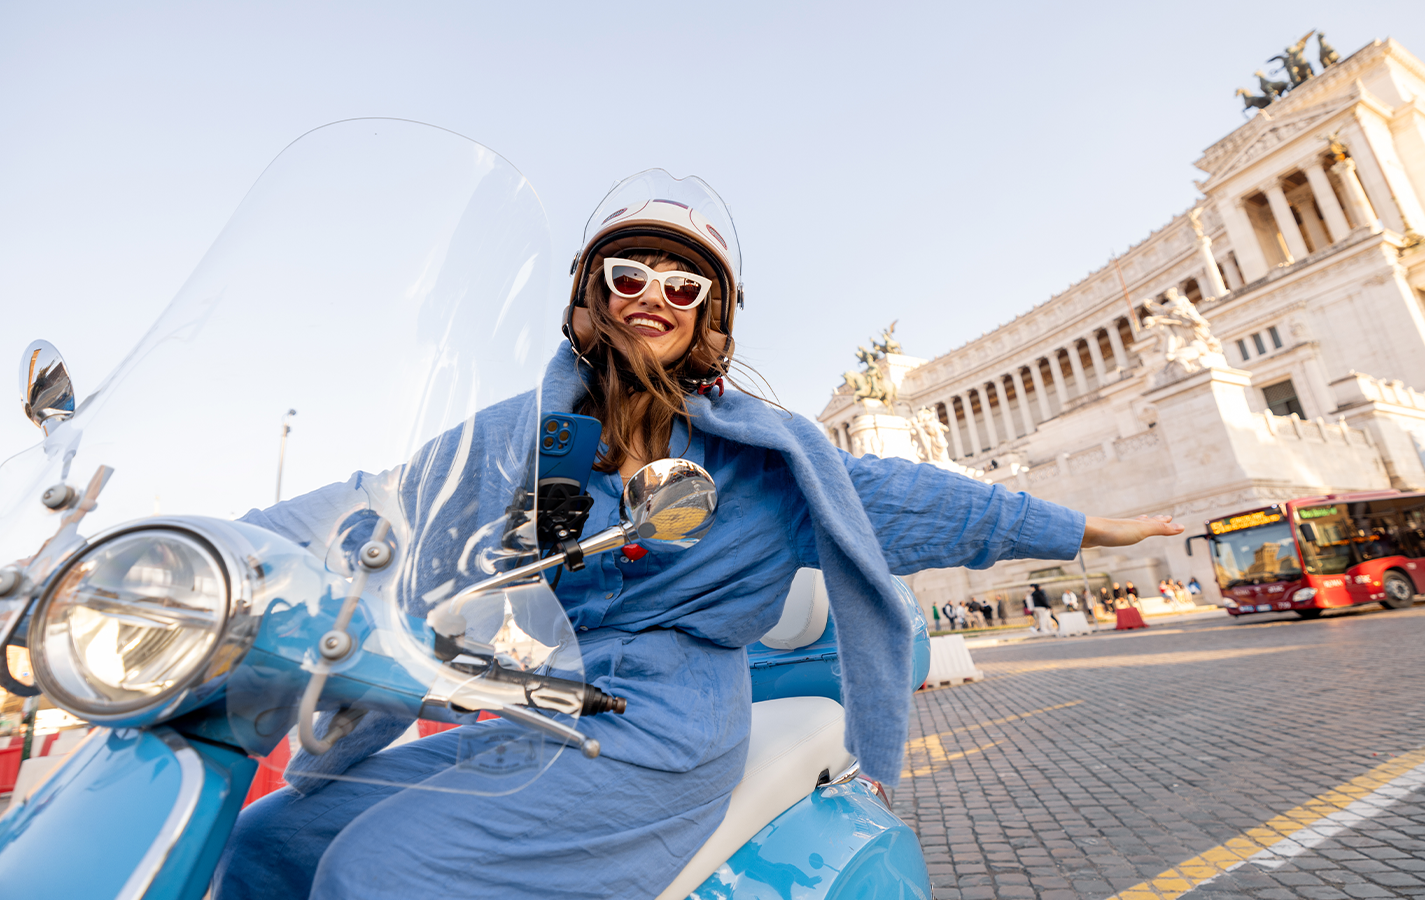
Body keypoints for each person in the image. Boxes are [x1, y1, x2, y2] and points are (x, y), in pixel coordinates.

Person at [211, 171, 1178, 899]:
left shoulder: (770, 464)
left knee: (386, 871)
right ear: (590, 295)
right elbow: (378, 505)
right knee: (269, 843)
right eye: (630, 274)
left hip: (663, 730)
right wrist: (203, 558)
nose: (653, 296)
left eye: (685, 288)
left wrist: (1082, 526)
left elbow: (929, 501)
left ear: (708, 319)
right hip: (535, 710)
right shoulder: (519, 437)